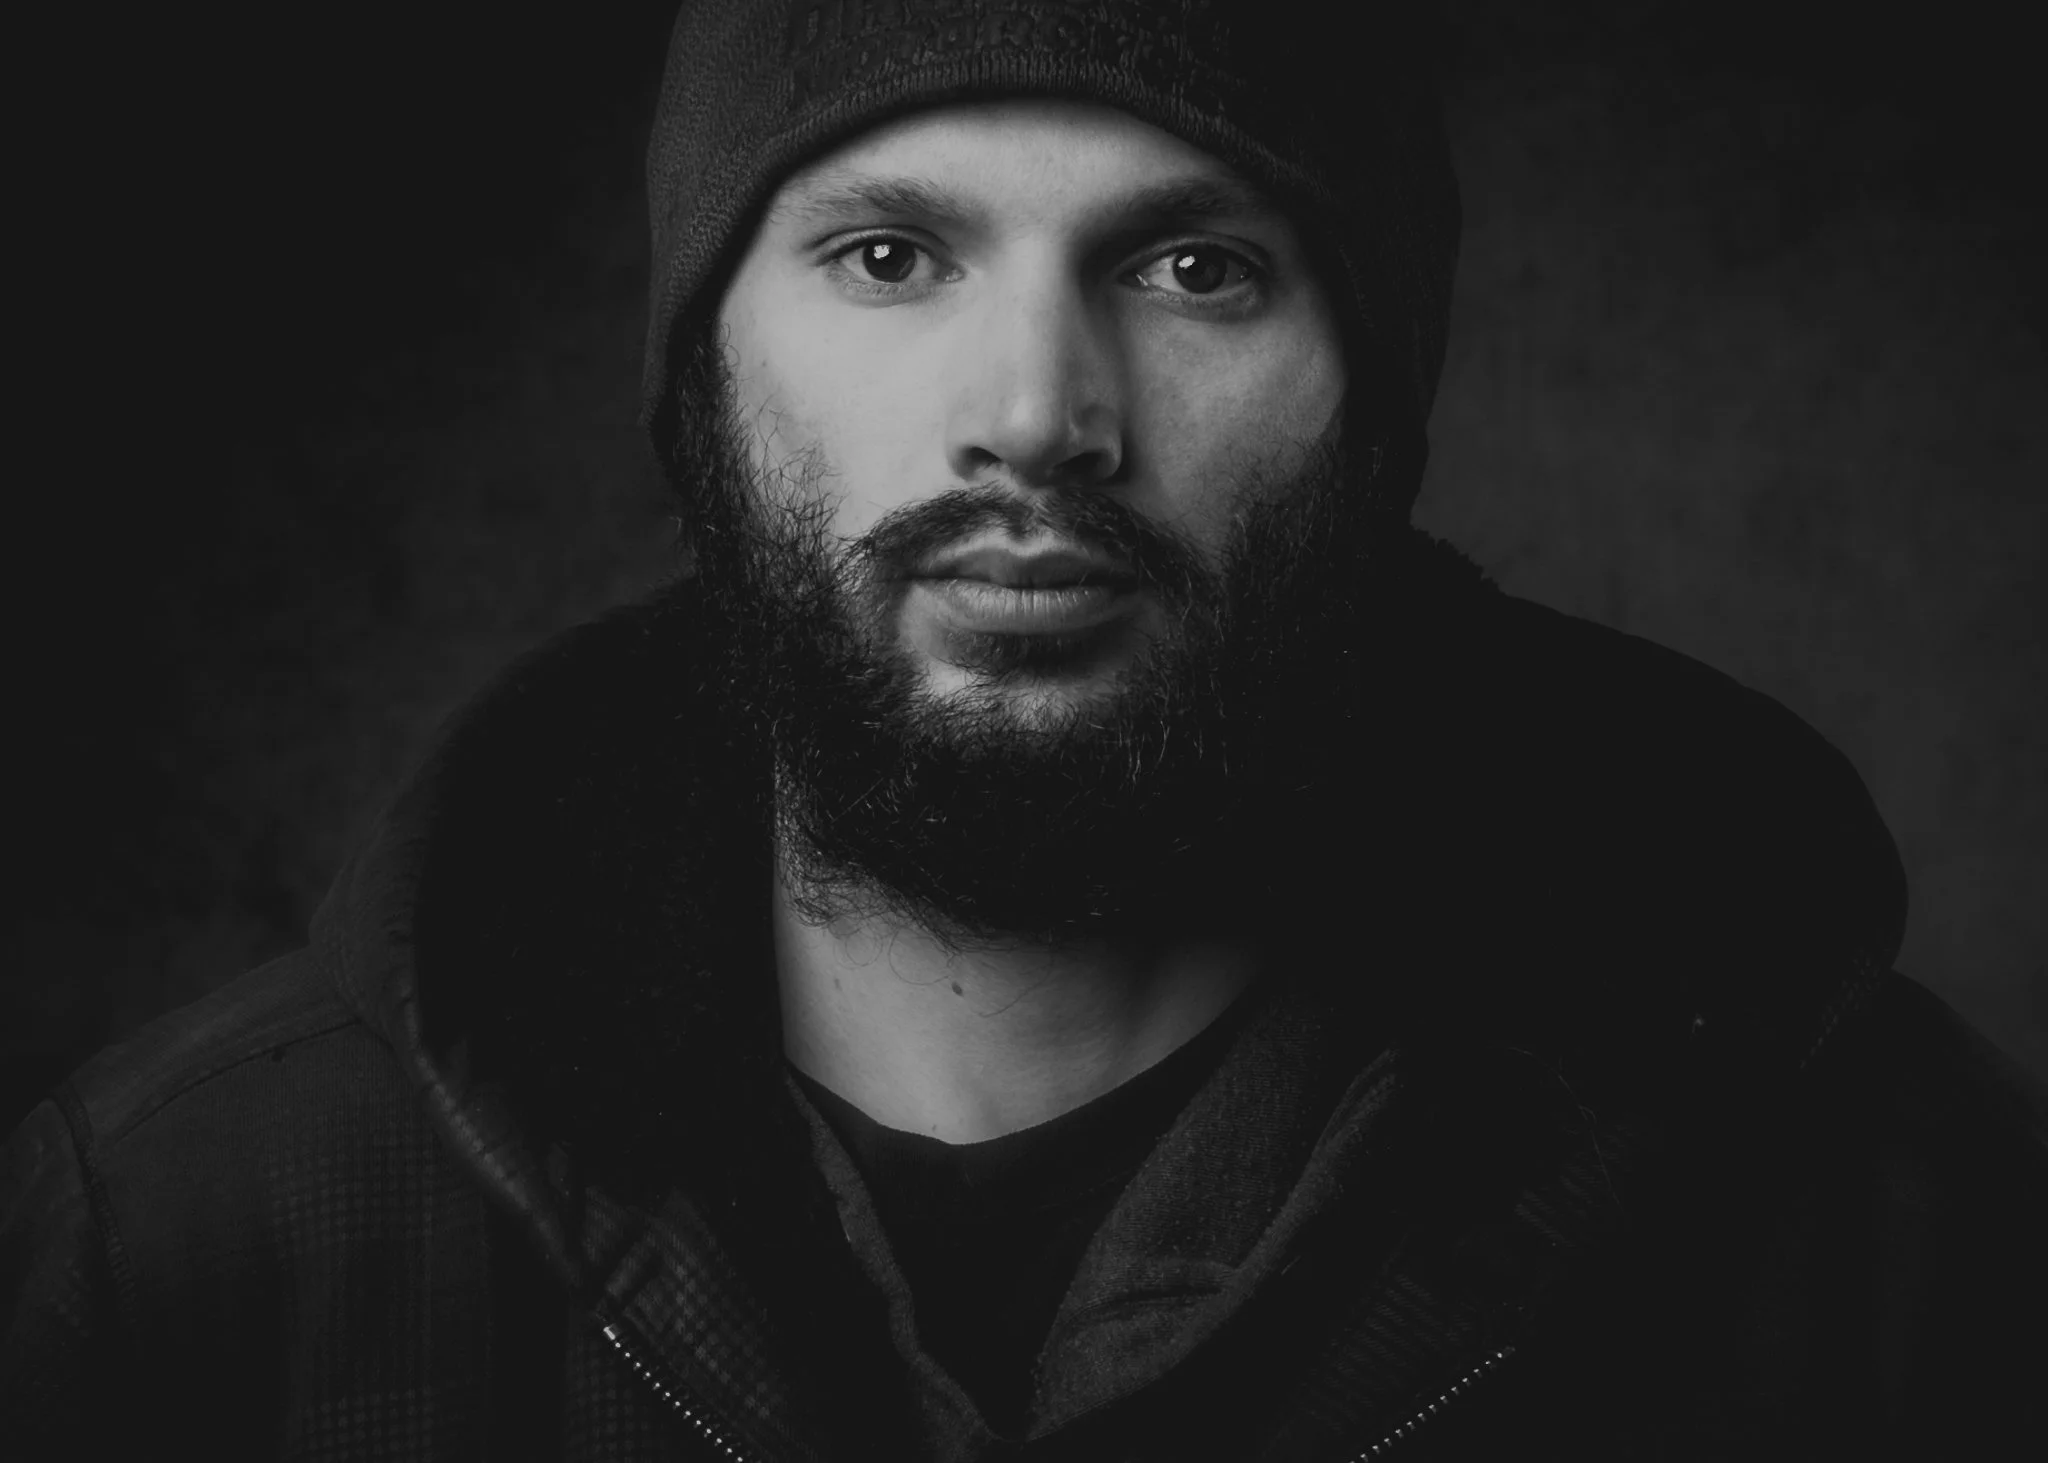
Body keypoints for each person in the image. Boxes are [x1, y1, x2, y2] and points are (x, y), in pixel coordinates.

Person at [6, 2, 2045, 1458]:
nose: (1038, 411)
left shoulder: (1889, 1217)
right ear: (701, 369)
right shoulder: (195, 1229)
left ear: (1380, 398)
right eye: (889, 255)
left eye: (1192, 264)